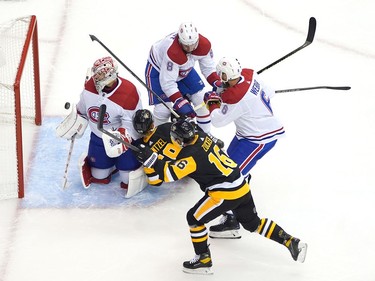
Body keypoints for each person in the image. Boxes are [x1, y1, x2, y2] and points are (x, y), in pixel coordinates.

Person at [134, 119, 307, 275]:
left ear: (179, 139)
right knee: (254, 223)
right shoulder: (203, 137)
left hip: (224, 193)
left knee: (194, 218)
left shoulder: (190, 155)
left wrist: (151, 160)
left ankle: (203, 259)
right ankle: (290, 241)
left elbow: (168, 175)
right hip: (241, 185)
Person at [203, 57, 286, 239]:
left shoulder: (236, 97)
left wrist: (213, 103)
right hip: (246, 135)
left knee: (232, 177)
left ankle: (233, 220)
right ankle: (233, 211)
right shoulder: (249, 73)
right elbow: (270, 92)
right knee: (229, 169)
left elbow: (218, 120)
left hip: (257, 139)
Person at [56, 56, 143, 189]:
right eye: (97, 74)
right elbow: (83, 109)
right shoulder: (90, 86)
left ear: (110, 75)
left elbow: (133, 122)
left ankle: (122, 164)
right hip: (98, 137)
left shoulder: (129, 92)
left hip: (122, 141)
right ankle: (110, 164)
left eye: (101, 75)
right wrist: (76, 121)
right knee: (99, 176)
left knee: (127, 178)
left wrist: (123, 136)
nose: (96, 78)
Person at [144, 21, 222, 133]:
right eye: (186, 45)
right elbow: (167, 82)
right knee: (163, 109)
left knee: (200, 100)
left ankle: (206, 135)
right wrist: (179, 101)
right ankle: (158, 137)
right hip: (158, 68)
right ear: (180, 40)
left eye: (193, 45)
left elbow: (208, 68)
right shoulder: (173, 51)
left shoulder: (204, 45)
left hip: (184, 68)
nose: (190, 48)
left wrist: (218, 83)